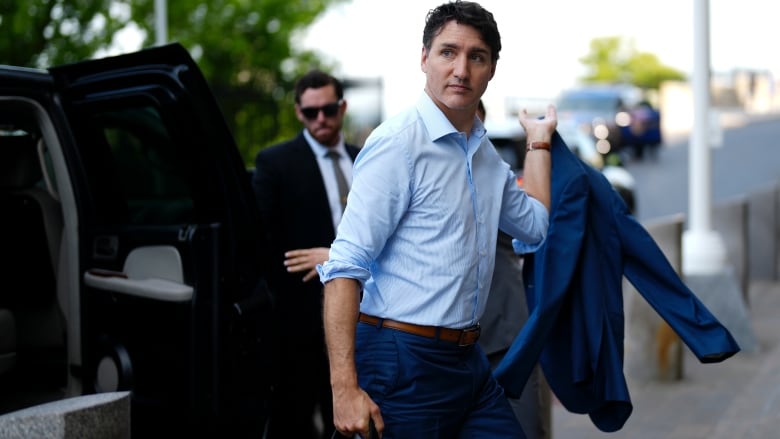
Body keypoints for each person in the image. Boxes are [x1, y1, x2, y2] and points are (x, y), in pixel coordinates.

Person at [318, 2, 557, 437]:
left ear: (491, 70)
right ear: (424, 58)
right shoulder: (397, 145)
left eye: (476, 57)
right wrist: (344, 390)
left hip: (469, 359)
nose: (461, 69)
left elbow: (535, 226)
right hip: (401, 359)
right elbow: (343, 268)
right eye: (448, 52)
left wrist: (538, 144)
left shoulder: (485, 155)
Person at [252, 69, 360, 439]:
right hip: (300, 320)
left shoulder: (364, 160)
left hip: (369, 312)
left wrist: (334, 255)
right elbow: (260, 242)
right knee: (295, 420)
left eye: (328, 109)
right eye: (311, 112)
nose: (321, 119)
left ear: (342, 107)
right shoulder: (275, 162)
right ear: (299, 112)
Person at [476, 100, 552, 439]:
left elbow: (534, 229)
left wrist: (538, 142)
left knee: (522, 430)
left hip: (504, 336)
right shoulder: (415, 165)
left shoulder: (496, 173)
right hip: (439, 349)